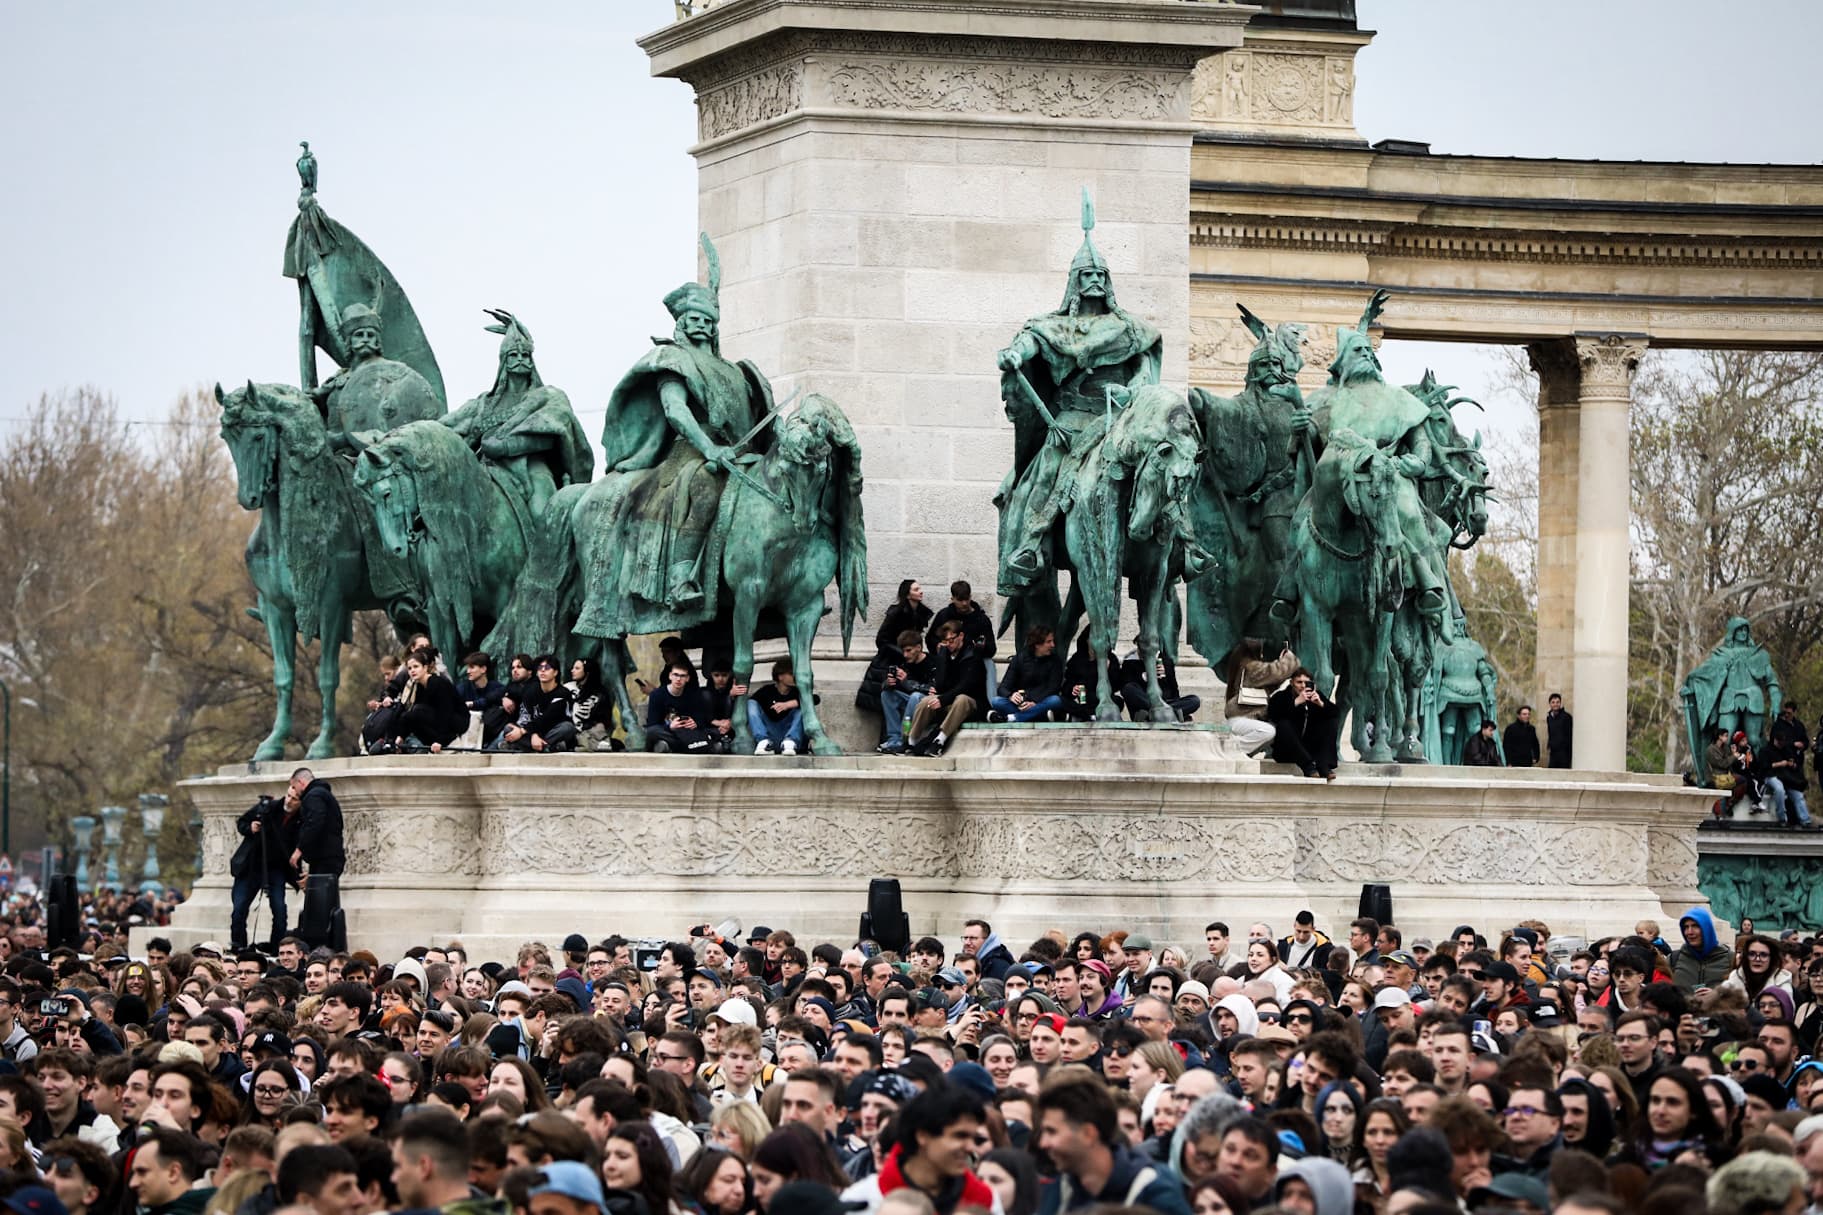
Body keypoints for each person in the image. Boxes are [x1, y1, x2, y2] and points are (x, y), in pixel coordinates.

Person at [1035, 1069, 1192, 1213]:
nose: (1044, 1143)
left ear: (1088, 1134)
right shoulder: (1060, 1189)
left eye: (1052, 1132)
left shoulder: (1154, 1189)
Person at [841, 1087, 1003, 1214]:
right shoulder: (863, 1200)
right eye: (959, 1136)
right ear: (923, 1136)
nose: (969, 1147)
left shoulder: (986, 1201)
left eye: (973, 1138)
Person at [908, 622, 987, 758]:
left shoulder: (972, 655)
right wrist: (942, 658)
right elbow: (940, 683)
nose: (949, 644)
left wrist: (943, 699)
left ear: (961, 636)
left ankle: (940, 740)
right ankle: (911, 740)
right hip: (949, 700)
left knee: (961, 699)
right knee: (925, 701)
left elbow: (966, 686)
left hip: (973, 703)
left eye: (951, 640)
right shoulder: (946, 654)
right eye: (945, 641)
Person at [229, 793, 287, 952]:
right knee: (239, 909)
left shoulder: (293, 818)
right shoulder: (264, 809)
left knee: (279, 910)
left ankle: (277, 948)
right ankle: (238, 946)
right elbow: (242, 822)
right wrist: (251, 828)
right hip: (251, 866)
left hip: (275, 867)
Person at [1220, 640, 1298, 755]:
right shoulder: (1251, 667)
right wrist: (1288, 656)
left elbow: (1269, 683)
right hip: (1242, 719)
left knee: (1275, 732)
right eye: (1261, 652)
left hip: (1243, 721)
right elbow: (1277, 671)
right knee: (1268, 731)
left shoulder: (1242, 667)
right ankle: (1229, 750)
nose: (1262, 655)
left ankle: (1243, 754)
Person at [489, 656, 576, 753]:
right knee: (509, 728)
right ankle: (548, 748)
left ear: (555, 672)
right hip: (532, 731)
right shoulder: (530, 690)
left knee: (568, 728)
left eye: (547, 668)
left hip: (552, 730)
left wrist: (524, 732)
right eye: (540, 668)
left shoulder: (562, 694)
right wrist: (532, 734)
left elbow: (548, 719)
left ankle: (521, 746)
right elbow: (526, 717)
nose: (542, 671)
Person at [1267, 669, 1339, 779]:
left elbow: (1335, 713)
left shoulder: (1316, 696)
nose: (1303, 686)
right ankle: (1308, 767)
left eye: (1306, 683)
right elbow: (1274, 714)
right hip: (1286, 750)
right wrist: (1296, 702)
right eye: (1299, 682)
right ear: (1291, 683)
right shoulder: (1281, 696)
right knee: (1284, 724)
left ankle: (1324, 766)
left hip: (1310, 748)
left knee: (1330, 720)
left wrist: (1321, 704)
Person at [394, 649, 470, 752]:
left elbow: (445, 712)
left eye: (416, 666)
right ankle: (431, 746)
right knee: (410, 715)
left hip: (457, 720)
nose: (412, 670)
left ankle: (445, 742)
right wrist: (400, 736)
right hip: (439, 718)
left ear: (425, 668)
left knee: (418, 710)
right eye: (409, 668)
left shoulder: (437, 683)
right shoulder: (419, 686)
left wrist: (440, 740)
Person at [877, 630, 939, 755]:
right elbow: (890, 688)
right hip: (909, 706)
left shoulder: (933, 663)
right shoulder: (905, 663)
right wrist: (888, 683)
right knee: (887, 695)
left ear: (919, 648)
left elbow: (933, 689)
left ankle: (903, 740)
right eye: (903, 651)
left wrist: (907, 682)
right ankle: (893, 739)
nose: (905, 655)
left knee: (915, 697)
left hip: (928, 706)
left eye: (909, 650)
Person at [990, 627, 1065, 724]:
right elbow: (1003, 687)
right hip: (1021, 704)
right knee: (996, 701)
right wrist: (1011, 696)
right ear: (1037, 644)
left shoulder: (1055, 661)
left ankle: (1013, 718)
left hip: (1041, 702)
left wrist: (1034, 702)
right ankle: (1040, 716)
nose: (1053, 645)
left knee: (1055, 700)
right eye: (1049, 642)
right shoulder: (1019, 659)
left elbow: (1053, 688)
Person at [645, 662, 721, 755]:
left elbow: (702, 719)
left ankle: (674, 747)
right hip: (670, 732)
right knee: (651, 732)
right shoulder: (657, 695)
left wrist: (695, 723)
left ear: (687, 678)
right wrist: (670, 727)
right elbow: (653, 724)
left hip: (689, 732)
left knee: (715, 731)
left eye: (682, 676)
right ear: (670, 676)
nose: (678, 679)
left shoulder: (693, 695)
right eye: (675, 675)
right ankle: (700, 746)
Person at [1118, 644, 1200, 724]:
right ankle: (1173, 714)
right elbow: (1125, 689)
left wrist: (1167, 672)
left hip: (1165, 703)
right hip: (1143, 705)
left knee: (1194, 700)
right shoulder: (1129, 662)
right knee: (1128, 689)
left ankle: (1157, 715)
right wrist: (1146, 676)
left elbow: (1174, 689)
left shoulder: (1166, 661)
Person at [748, 659, 808, 756]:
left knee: (803, 705)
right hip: (771, 733)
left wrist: (790, 704)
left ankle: (790, 741)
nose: (795, 676)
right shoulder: (767, 690)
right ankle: (763, 742)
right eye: (791, 673)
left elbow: (815, 699)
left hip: (790, 737)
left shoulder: (797, 691)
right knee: (751, 703)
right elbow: (751, 703)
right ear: (780, 676)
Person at [924, 581, 996, 662]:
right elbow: (930, 639)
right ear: (952, 599)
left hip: (973, 663)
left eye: (966, 599)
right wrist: (937, 645)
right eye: (960, 600)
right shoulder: (943, 615)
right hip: (948, 661)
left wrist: (979, 647)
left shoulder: (982, 619)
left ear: (970, 597)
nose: (964, 603)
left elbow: (991, 648)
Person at [877, 580, 934, 652]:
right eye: (916, 590)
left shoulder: (922, 613)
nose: (921, 591)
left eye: (920, 589)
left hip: (913, 654)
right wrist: (901, 652)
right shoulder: (896, 613)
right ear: (908, 595)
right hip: (893, 654)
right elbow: (881, 640)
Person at [1546, 692, 1574, 769]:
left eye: (1557, 702)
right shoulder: (1549, 717)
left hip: (1564, 752)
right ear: (1550, 704)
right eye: (1553, 702)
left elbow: (1569, 735)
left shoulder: (1567, 717)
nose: (1555, 704)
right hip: (1553, 751)